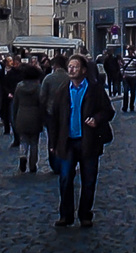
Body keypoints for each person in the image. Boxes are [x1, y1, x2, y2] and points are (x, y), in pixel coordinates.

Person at [46, 54, 113, 229]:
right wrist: (52, 143)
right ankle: (65, 215)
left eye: (75, 66)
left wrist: (97, 119)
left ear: (83, 70)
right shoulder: (62, 91)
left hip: (88, 141)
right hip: (67, 142)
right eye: (70, 66)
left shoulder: (94, 90)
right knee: (65, 178)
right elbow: (54, 119)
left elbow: (108, 111)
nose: (71, 69)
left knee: (88, 180)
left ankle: (85, 215)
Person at [12, 62, 45, 173]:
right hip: (35, 115)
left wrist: (14, 117)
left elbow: (15, 103)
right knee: (34, 142)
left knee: (23, 140)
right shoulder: (38, 87)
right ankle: (32, 165)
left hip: (22, 114)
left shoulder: (19, 86)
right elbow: (41, 103)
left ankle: (22, 156)